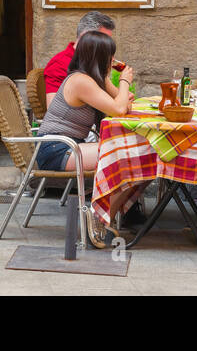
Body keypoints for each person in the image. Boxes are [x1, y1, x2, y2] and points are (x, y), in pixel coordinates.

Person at [34, 30, 136, 246]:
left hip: (72, 146)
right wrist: (125, 81)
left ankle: (102, 218)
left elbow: (124, 106)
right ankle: (98, 217)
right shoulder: (81, 81)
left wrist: (118, 89)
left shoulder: (94, 79)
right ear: (99, 56)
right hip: (57, 148)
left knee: (138, 160)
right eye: (110, 56)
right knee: (129, 158)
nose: (113, 61)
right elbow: (119, 109)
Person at [43, 11, 115, 100]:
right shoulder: (59, 65)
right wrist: (124, 81)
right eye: (103, 40)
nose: (107, 46)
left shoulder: (93, 61)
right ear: (87, 37)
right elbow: (53, 107)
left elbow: (118, 98)